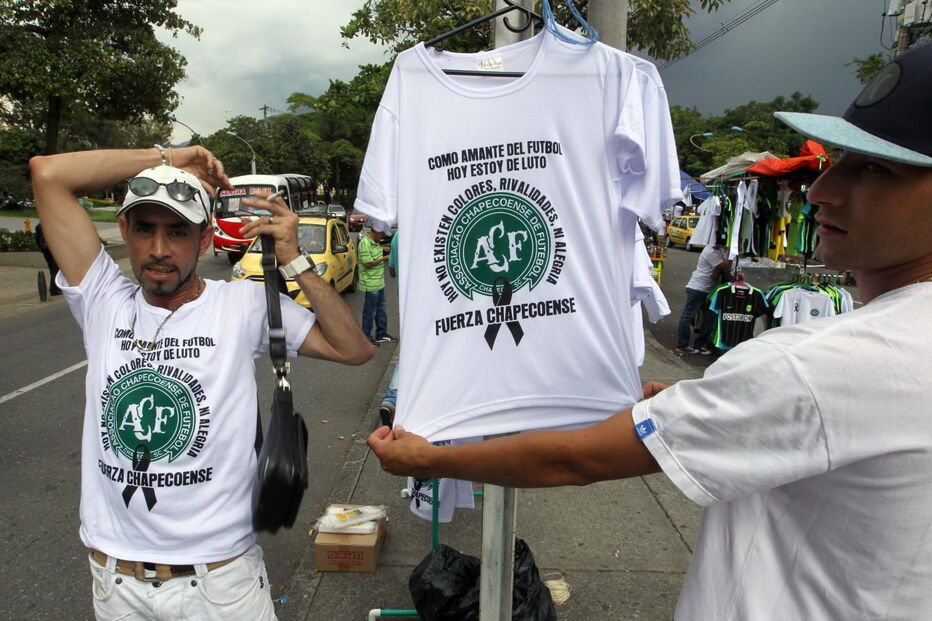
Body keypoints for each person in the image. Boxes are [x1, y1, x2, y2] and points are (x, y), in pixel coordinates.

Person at [368, 43, 932, 619]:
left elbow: (574, 461)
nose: (820, 190)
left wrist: (431, 460)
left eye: (876, 168)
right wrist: (718, 404)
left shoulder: (820, 367)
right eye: (841, 159)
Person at [29, 145, 374, 621]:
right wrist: (169, 157)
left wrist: (295, 261)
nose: (159, 250)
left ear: (207, 239)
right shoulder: (102, 300)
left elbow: (354, 350)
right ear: (124, 231)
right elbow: (47, 174)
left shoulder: (242, 305)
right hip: (116, 580)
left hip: (218, 583)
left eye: (177, 232)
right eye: (145, 229)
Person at [675, 234, 732, 354]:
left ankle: (700, 345)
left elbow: (717, 272)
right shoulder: (710, 251)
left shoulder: (720, 250)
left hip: (709, 290)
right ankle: (682, 344)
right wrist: (732, 255)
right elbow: (724, 267)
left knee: (709, 318)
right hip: (697, 288)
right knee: (688, 316)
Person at [357, 223, 394, 345]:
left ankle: (381, 334)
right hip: (370, 283)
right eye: (382, 234)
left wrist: (382, 248)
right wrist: (385, 258)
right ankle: (366, 337)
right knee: (370, 312)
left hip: (379, 282)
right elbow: (368, 264)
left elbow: (375, 250)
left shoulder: (375, 242)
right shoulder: (364, 243)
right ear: (376, 232)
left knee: (381, 309)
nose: (382, 236)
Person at [379, 231, 400, 427]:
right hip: (433, 306)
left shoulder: (397, 238)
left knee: (409, 353)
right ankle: (392, 399)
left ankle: (391, 400)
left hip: (407, 301)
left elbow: (392, 270)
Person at [34, 221, 62, 295]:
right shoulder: (49, 226)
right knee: (55, 269)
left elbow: (37, 239)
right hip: (51, 249)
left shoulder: (38, 227)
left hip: (45, 250)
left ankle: (55, 288)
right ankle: (54, 289)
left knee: (53, 268)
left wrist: (41, 247)